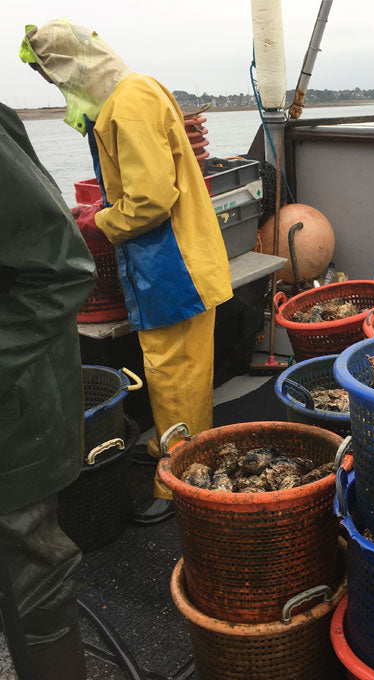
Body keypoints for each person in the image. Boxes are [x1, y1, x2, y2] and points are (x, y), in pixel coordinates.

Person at [21, 19, 234, 524]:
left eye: (55, 75)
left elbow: (151, 201)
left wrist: (98, 219)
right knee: (179, 368)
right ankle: (173, 444)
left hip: (171, 264)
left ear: (72, 67)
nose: (58, 87)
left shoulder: (128, 104)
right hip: (170, 259)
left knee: (173, 371)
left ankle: (180, 476)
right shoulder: (137, 90)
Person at [0, 101, 96, 679]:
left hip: (12, 420)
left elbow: (61, 268)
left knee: (33, 581)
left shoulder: (130, 106)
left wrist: (104, 222)